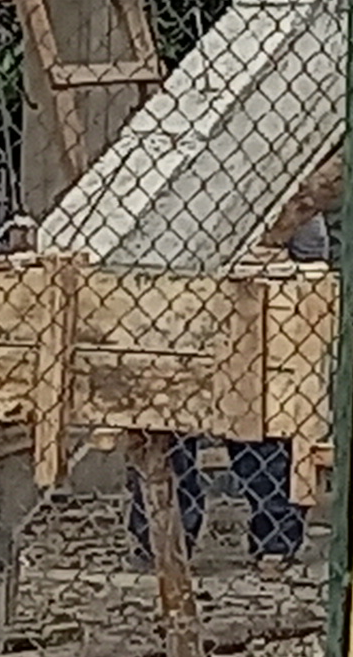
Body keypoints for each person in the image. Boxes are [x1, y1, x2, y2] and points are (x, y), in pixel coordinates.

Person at [126, 212, 320, 570]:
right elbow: (312, 251)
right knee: (251, 425)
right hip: (210, 307)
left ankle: (164, 542)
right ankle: (272, 542)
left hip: (205, 307)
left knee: (247, 425)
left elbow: (311, 251)